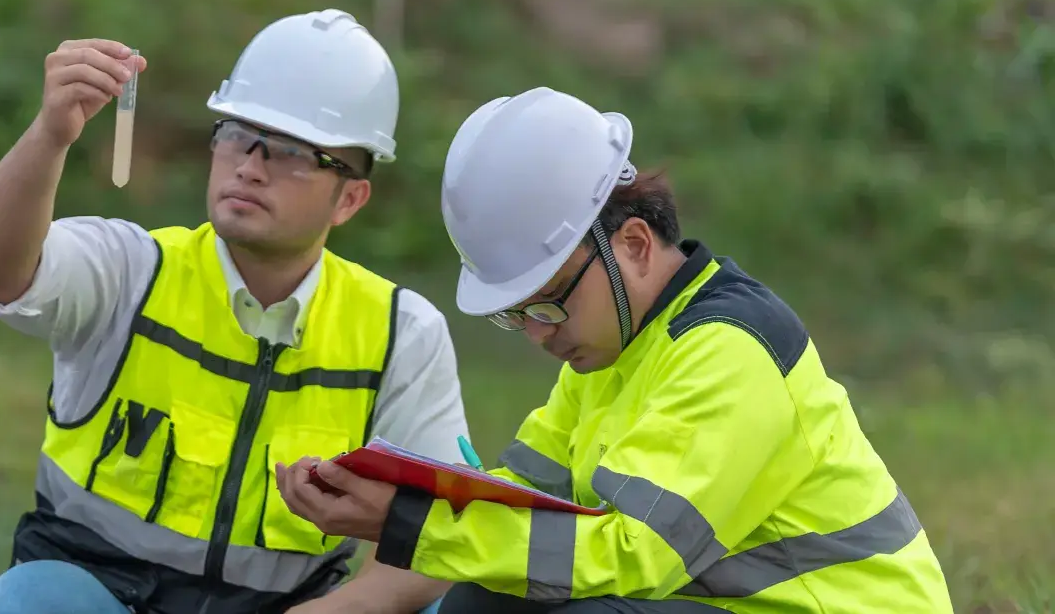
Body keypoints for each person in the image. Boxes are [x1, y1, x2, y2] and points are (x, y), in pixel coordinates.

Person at [273, 86, 956, 613]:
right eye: (517, 316)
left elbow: (636, 556)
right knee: (490, 598)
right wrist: (394, 511)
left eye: (547, 302)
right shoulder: (611, 349)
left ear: (630, 244)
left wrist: (408, 526)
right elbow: (521, 502)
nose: (539, 334)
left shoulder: (729, 349)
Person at [0, 9, 468, 614]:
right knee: (32, 602)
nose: (250, 165)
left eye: (290, 152)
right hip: (101, 595)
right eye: (235, 134)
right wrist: (50, 135)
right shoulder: (132, 271)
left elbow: (438, 541)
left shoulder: (400, 333)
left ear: (350, 198)